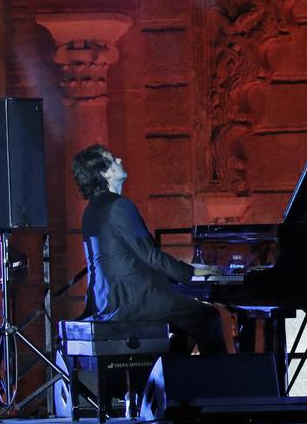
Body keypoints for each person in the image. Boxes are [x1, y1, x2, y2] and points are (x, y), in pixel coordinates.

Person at [71, 144, 226, 354]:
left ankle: (170, 378)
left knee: (187, 323)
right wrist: (193, 272)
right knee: (208, 317)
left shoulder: (91, 210)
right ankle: (223, 383)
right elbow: (151, 256)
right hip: (134, 300)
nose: (119, 160)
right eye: (112, 160)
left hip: (107, 301)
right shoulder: (119, 205)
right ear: (105, 172)